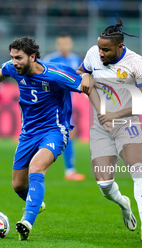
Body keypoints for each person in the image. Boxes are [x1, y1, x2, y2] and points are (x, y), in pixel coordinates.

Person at [0, 36, 92, 241]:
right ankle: (35, 201)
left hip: (54, 130)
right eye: (12, 57)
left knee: (37, 167)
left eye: (18, 58)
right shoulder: (14, 69)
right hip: (27, 133)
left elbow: (86, 84)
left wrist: (89, 77)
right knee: (18, 185)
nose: (14, 62)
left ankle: (26, 221)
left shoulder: (54, 75)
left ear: (32, 57)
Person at [77, 17, 142, 242]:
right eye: (99, 49)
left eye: (106, 50)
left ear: (120, 47)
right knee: (104, 184)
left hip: (127, 124)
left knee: (137, 169)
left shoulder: (137, 63)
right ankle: (124, 204)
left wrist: (115, 114)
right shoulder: (93, 53)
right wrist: (84, 74)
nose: (100, 54)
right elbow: (82, 72)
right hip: (100, 127)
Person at [43, 34, 85, 181]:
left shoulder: (75, 60)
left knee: (67, 134)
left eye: (66, 44)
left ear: (70, 44)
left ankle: (69, 170)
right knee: (63, 134)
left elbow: (81, 79)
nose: (64, 47)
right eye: (61, 44)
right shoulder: (50, 60)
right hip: (52, 104)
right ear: (57, 45)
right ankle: (68, 171)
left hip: (66, 104)